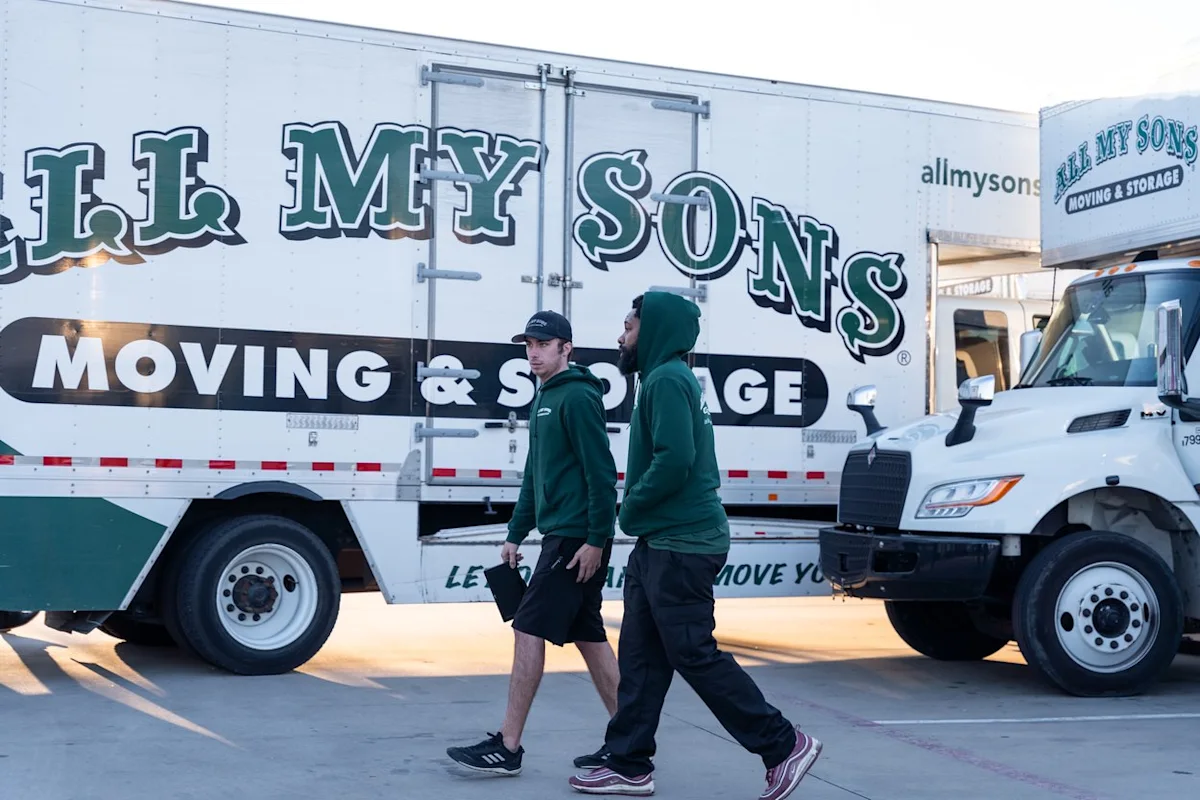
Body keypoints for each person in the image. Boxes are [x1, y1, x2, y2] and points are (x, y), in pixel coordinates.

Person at [568, 292, 822, 799]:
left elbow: (676, 458)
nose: (621, 338)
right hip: (661, 542)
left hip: (682, 543)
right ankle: (628, 762)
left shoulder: (665, 379)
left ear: (654, 331)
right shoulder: (665, 378)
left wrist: (631, 506)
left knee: (693, 654)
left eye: (629, 328)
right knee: (641, 658)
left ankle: (782, 744)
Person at [447, 309, 622, 777]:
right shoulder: (543, 398)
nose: (533, 352)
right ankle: (631, 739)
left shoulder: (579, 398)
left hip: (573, 538)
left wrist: (597, 540)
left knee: (527, 627)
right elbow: (534, 475)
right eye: (529, 344)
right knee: (589, 637)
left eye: (543, 344)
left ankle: (508, 746)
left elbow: (602, 474)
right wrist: (514, 533)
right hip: (558, 533)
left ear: (567, 348)